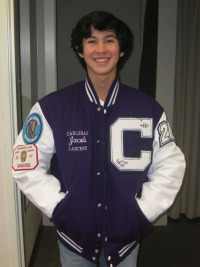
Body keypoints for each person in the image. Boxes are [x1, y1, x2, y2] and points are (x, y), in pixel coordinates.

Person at [12, 11, 186, 267]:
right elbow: (26, 165)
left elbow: (171, 164)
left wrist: (143, 211)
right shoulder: (51, 109)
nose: (101, 49)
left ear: (122, 49)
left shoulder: (147, 108)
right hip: (75, 240)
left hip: (126, 241)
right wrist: (60, 208)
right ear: (80, 50)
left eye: (110, 40)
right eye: (91, 41)